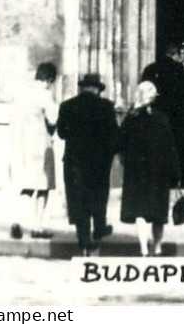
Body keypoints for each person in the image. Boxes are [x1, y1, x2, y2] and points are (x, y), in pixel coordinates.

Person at [56, 72, 120, 256]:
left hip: (74, 161)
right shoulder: (106, 107)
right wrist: (110, 152)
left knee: (78, 199)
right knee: (98, 195)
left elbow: (61, 133)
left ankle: (84, 241)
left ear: (83, 88)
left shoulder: (67, 106)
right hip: (99, 162)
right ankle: (99, 227)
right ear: (96, 89)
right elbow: (114, 135)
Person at [119, 80, 180, 257]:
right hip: (158, 172)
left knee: (140, 212)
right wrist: (176, 172)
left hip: (137, 172)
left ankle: (144, 249)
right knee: (158, 213)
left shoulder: (131, 119)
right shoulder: (162, 118)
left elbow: (119, 141)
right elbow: (170, 147)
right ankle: (158, 247)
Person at [141, 41, 184, 202]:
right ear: (175, 54)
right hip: (178, 119)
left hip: (154, 118)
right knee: (183, 151)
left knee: (157, 152)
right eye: (182, 54)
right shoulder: (179, 70)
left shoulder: (150, 69)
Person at [9, 61, 58, 241]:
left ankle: (17, 221)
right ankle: (37, 226)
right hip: (40, 144)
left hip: (21, 144)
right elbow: (53, 120)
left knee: (26, 186)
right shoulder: (45, 95)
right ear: (49, 80)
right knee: (43, 186)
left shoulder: (22, 93)